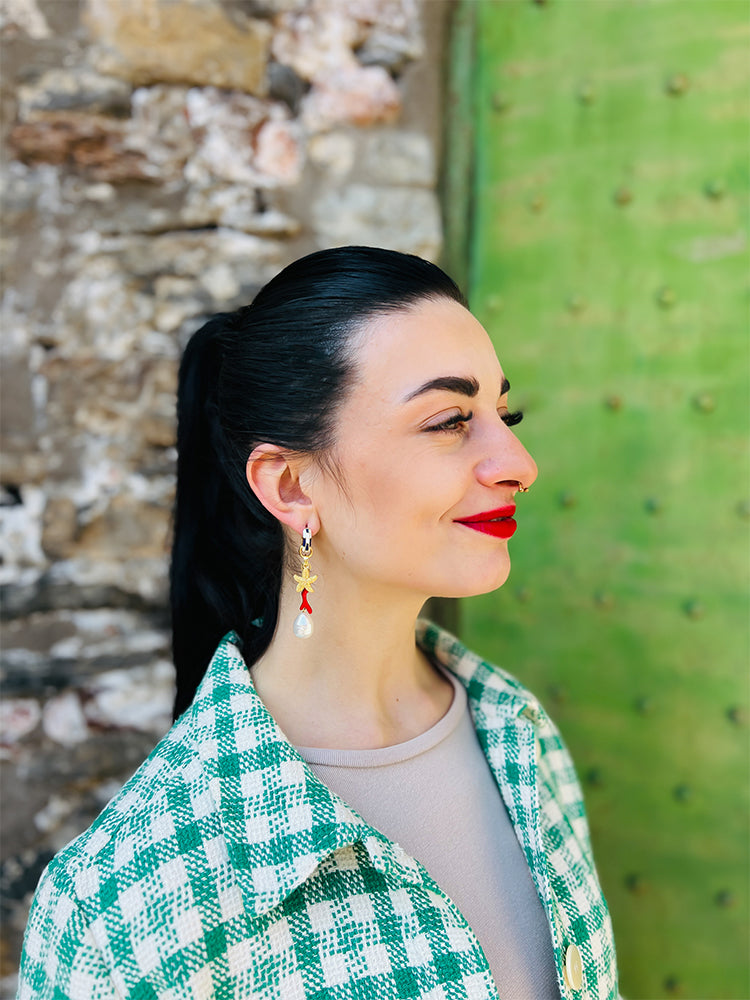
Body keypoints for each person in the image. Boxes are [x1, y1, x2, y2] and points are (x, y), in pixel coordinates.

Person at [18, 247, 618, 999]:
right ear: (292, 485)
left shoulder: (523, 742)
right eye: (449, 420)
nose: (518, 461)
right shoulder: (123, 908)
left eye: (506, 413)